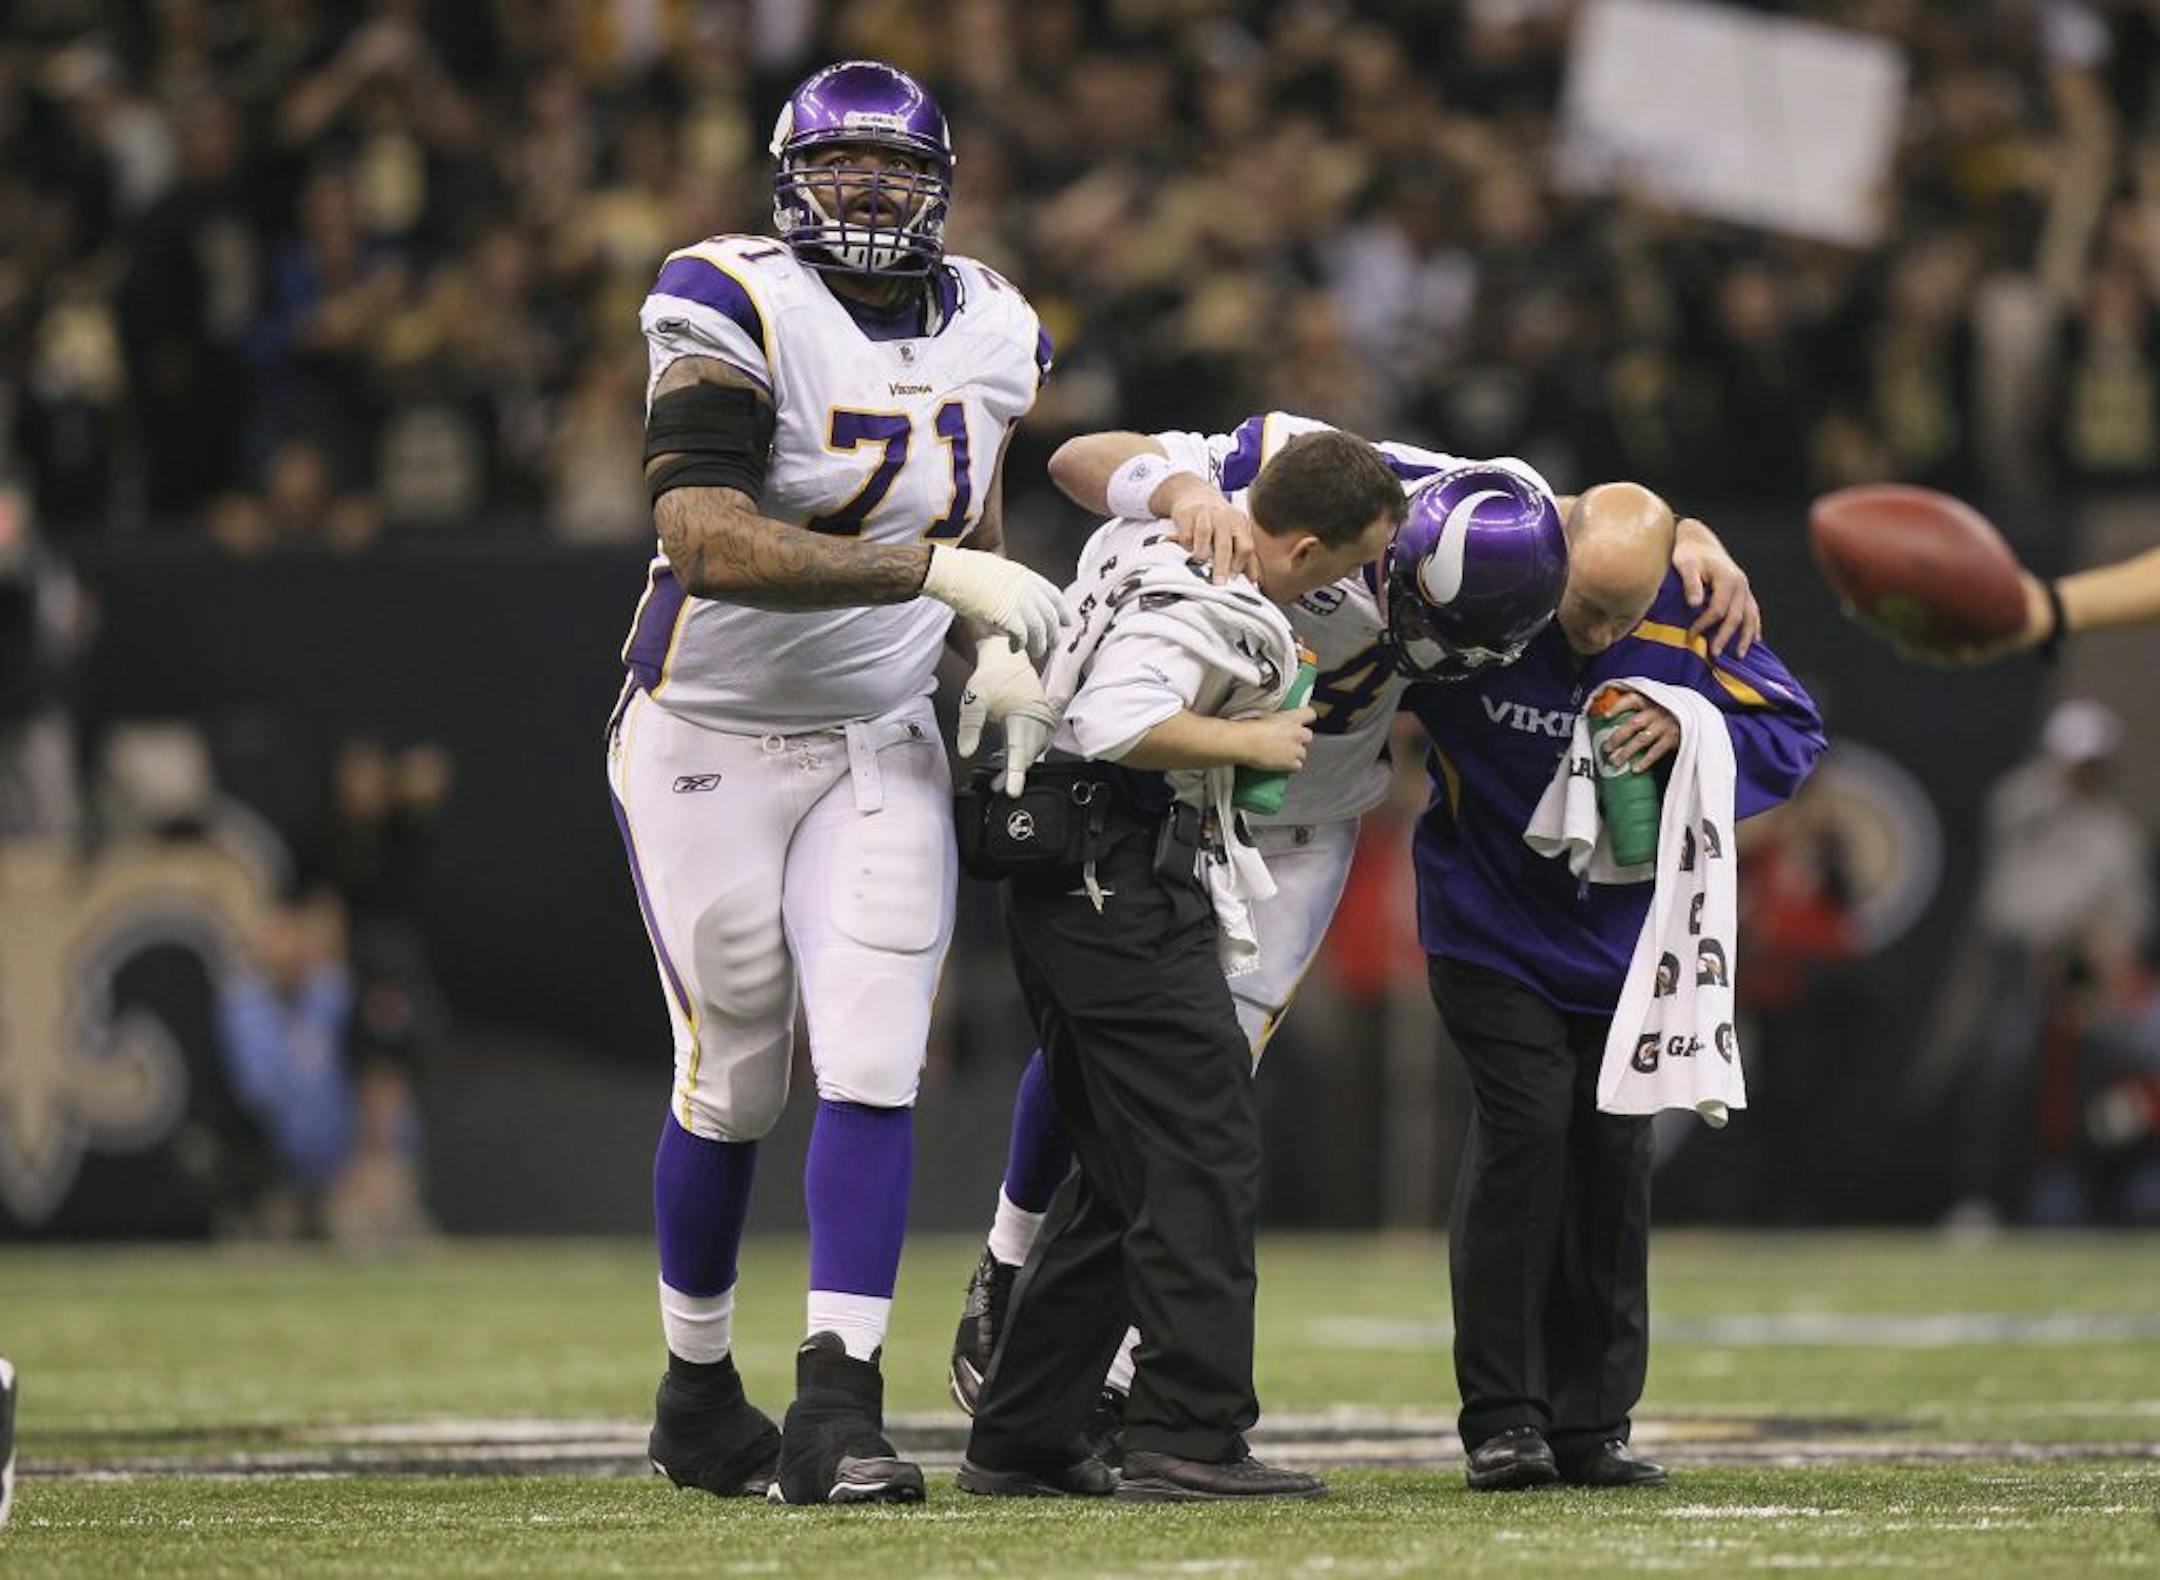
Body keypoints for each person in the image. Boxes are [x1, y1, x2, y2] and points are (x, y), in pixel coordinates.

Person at [948, 411, 1762, 1436]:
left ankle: (1106, 1361)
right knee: (1122, 1051)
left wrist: (1691, 539)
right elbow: (1073, 456)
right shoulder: (1321, 473)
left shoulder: (1517, 521)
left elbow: (1615, 521)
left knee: (1200, 1077)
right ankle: (1011, 1249)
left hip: (1302, 815)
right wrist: (1179, 491)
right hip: (1164, 782)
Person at [609, 59, 1070, 1508]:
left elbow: (970, 491)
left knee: (875, 1050)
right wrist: (934, 570)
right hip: (710, 731)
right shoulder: (727, 297)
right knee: (737, 1072)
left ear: (940, 187)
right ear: (787, 180)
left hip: (880, 733)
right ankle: (696, 1391)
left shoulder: (998, 323)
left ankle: (838, 1405)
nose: (867, 193)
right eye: (841, 167)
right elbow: (704, 536)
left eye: (895, 169)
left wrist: (986, 632)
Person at [958, 430, 1405, 1503]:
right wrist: (1251, 745)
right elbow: (1117, 721)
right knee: (1203, 1147)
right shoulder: (1233, 601)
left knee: (1119, 1168)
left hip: (1056, 867)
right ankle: (1188, 1430)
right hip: (1118, 871)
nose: (1352, 589)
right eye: (1346, 566)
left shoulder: (1153, 523)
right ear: (1300, 546)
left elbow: (1095, 470)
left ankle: (1023, 1428)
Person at [1408, 483, 1825, 1491]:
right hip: (1489, 924)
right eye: (1582, 607)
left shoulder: (1691, 609)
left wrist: (1688, 725)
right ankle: (1504, 1418)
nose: (1595, 632)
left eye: (1619, 614)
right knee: (1527, 1132)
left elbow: (1793, 735)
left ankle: (1593, 1422)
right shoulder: (1491, 590)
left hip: (1625, 949)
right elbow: (1374, 642)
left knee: (1613, 1161)